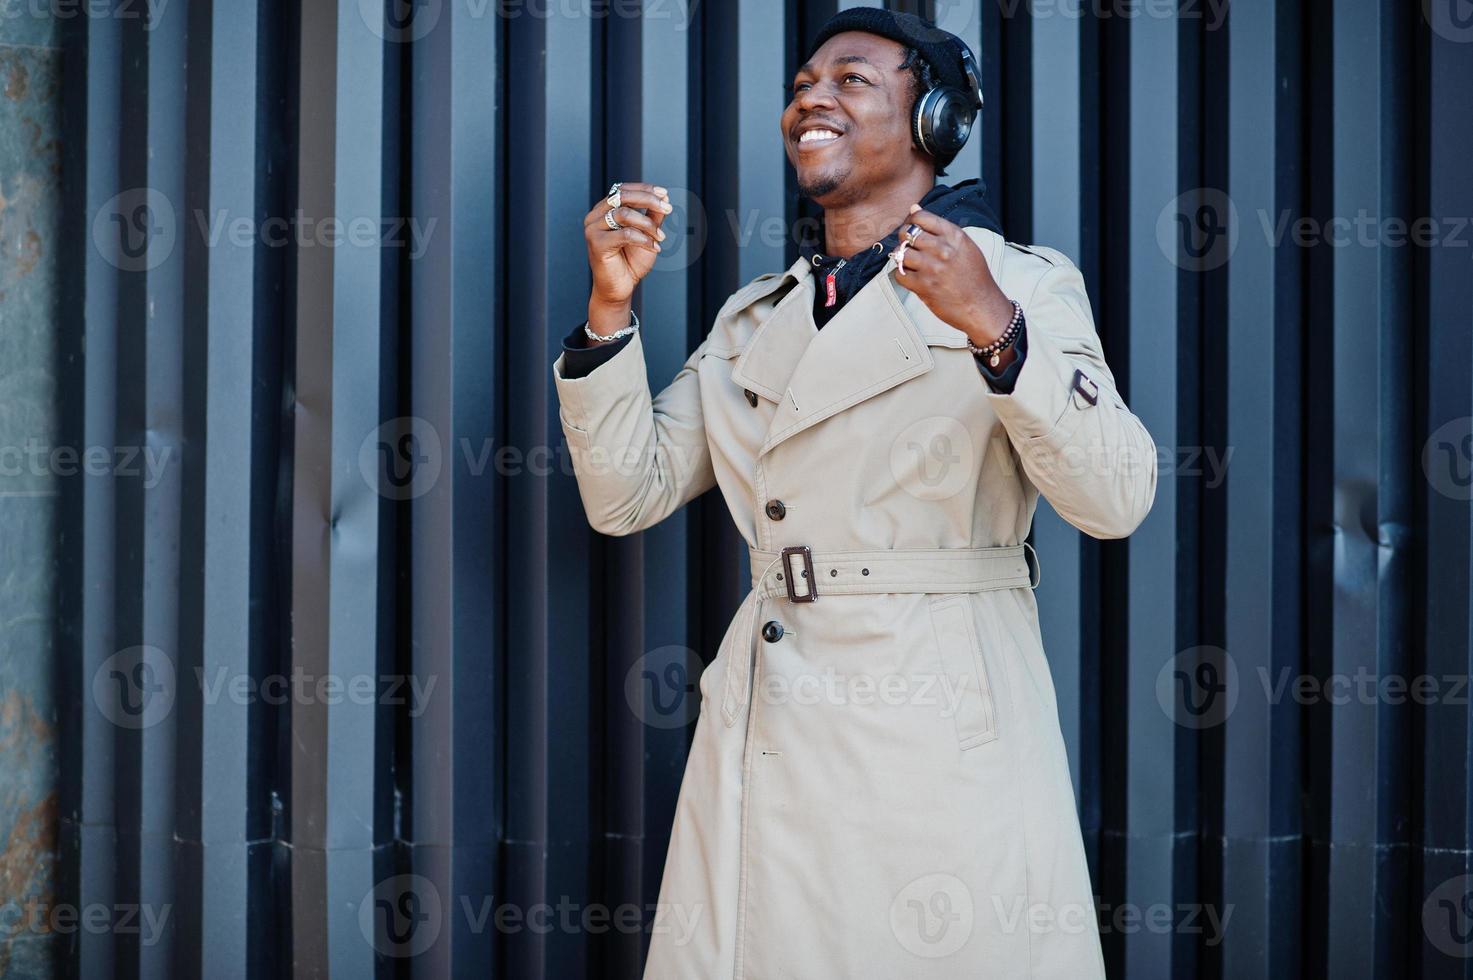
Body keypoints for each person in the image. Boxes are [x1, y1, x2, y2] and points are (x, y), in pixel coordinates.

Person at [552, 10, 1155, 978]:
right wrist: (610, 309)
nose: (811, 100)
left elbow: (1116, 496)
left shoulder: (1021, 283)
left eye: (852, 80)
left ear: (940, 122)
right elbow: (628, 493)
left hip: (934, 716)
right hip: (771, 718)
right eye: (800, 86)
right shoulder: (760, 316)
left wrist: (995, 331)